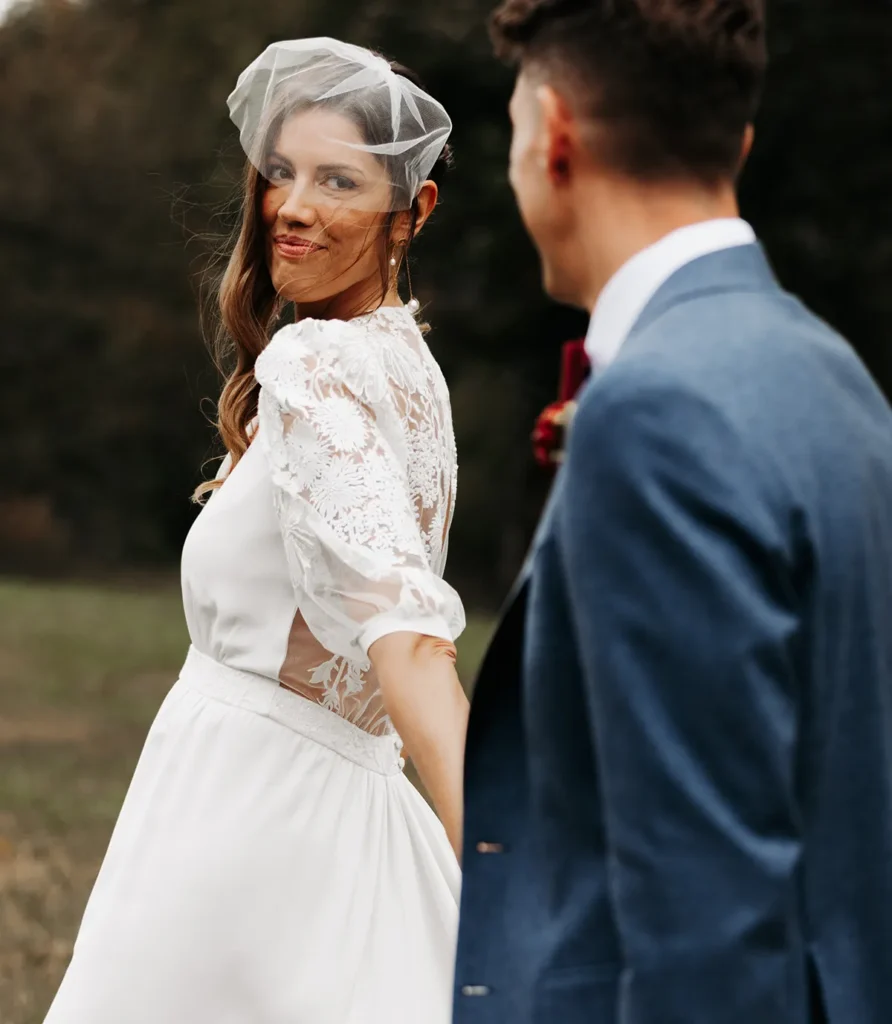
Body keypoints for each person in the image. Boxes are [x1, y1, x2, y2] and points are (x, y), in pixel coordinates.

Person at [455, 2, 892, 1023]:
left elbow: (705, 908)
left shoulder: (654, 411)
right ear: (734, 144)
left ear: (552, 135)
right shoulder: (840, 381)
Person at [44, 37, 468, 1024]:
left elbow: (403, 628)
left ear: (415, 210)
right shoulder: (408, 371)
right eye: (283, 173)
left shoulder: (316, 368)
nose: (295, 206)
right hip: (313, 805)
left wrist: (492, 841)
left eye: (340, 180)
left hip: (250, 821)